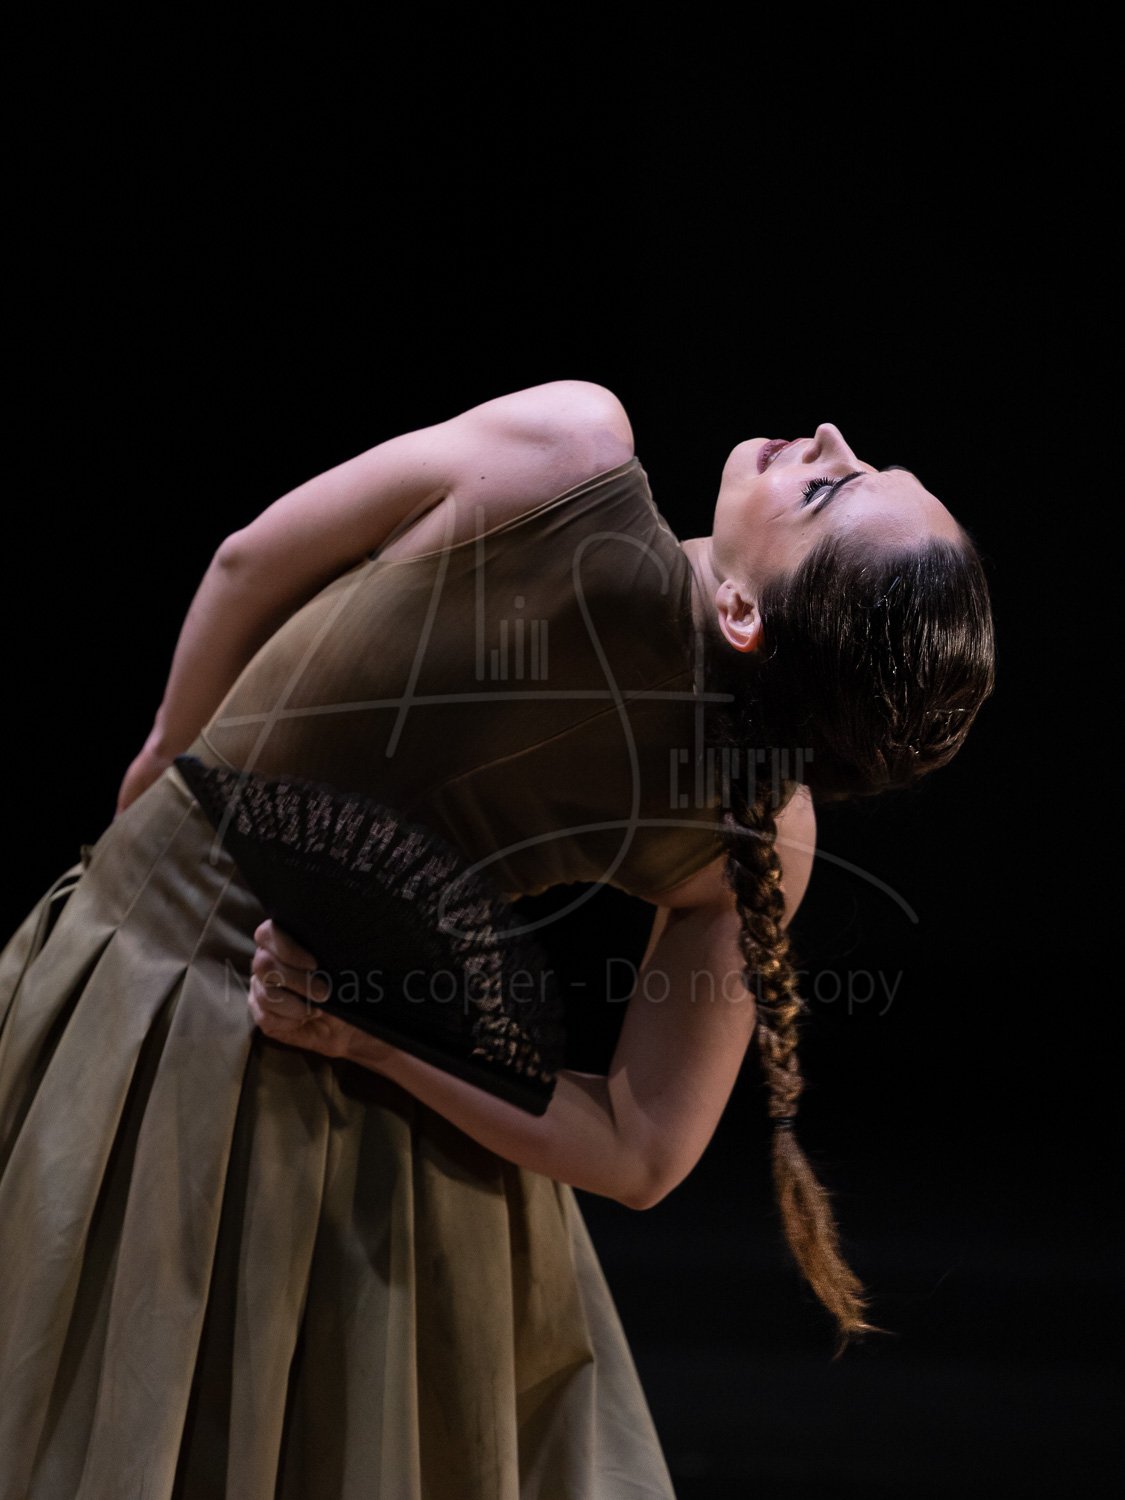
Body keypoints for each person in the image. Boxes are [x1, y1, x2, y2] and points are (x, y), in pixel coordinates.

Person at [0, 380, 995, 1499]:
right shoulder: (763, 830)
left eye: (827, 491)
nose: (830, 437)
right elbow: (641, 1153)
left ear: (743, 615)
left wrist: (162, 763)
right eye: (865, 465)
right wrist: (377, 1040)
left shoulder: (563, 451)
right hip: (385, 1152)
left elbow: (245, 560)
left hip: (149, 1002)